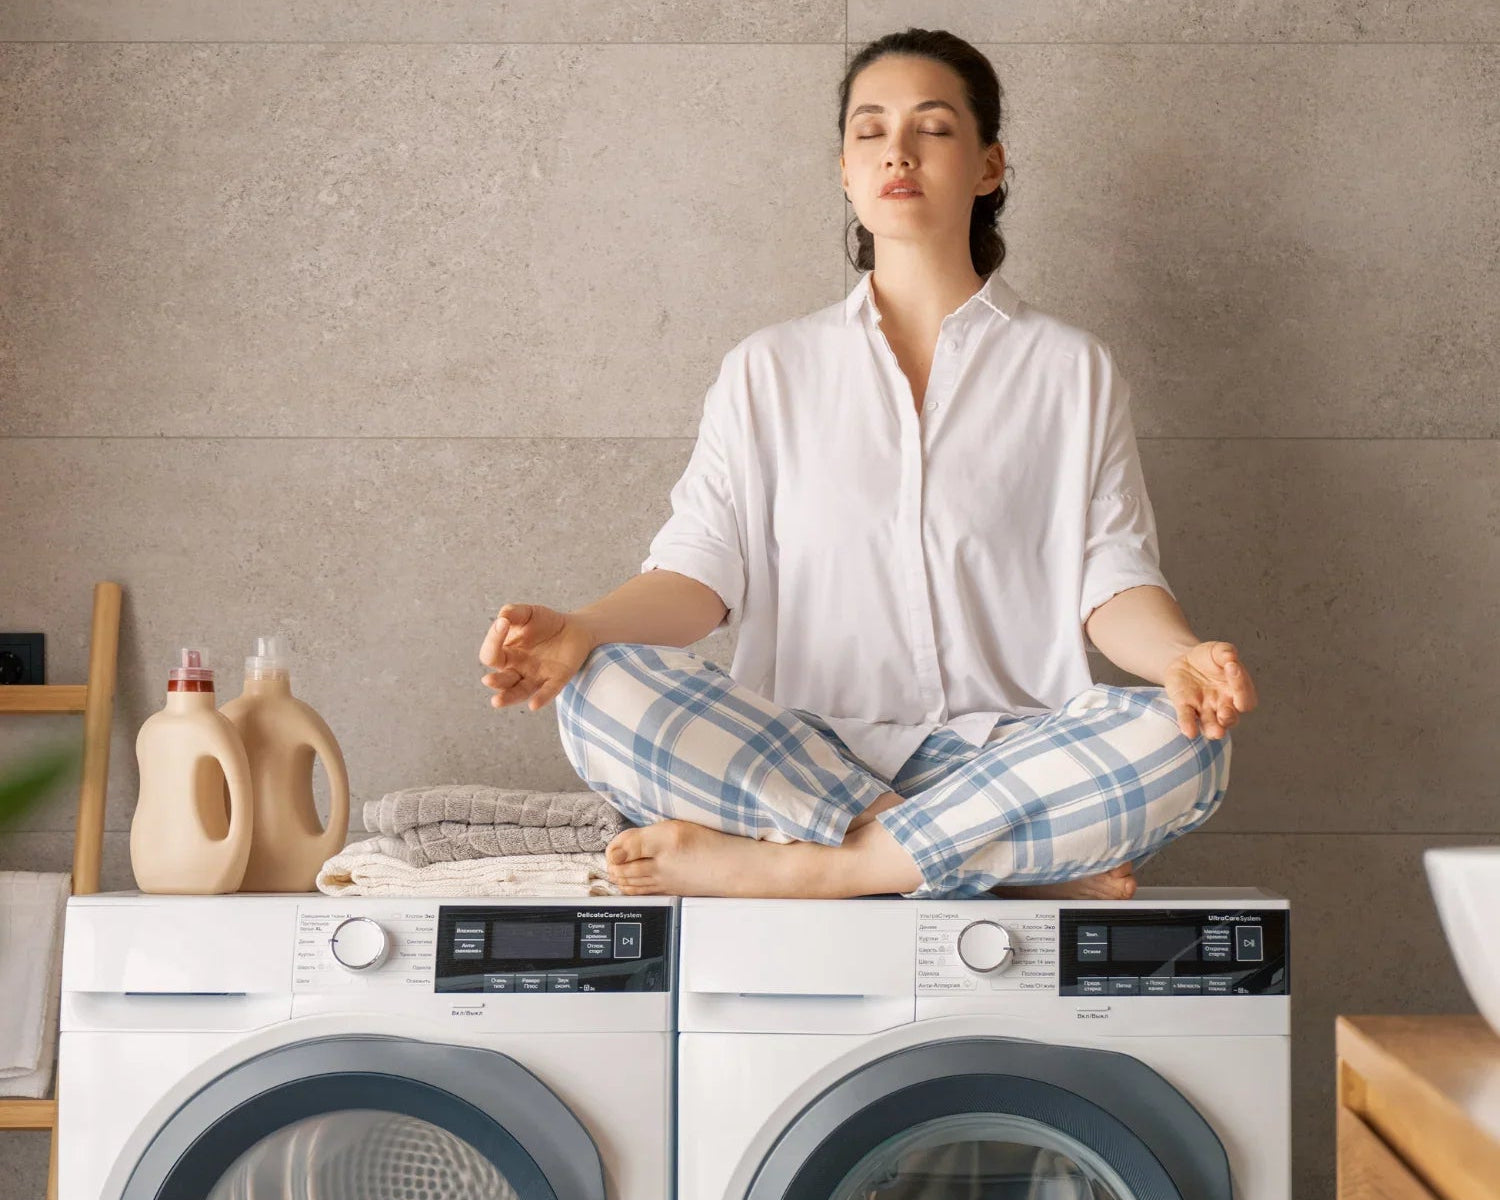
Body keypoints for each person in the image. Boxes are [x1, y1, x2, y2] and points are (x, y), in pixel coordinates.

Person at [478, 28, 1258, 902]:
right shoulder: (767, 368)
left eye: (932, 127)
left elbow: (1111, 580)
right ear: (846, 172)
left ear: (989, 165)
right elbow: (698, 573)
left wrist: (1182, 657)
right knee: (602, 687)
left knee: (1184, 742)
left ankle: (823, 869)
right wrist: (582, 629)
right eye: (868, 130)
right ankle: (984, 865)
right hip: (797, 760)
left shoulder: (1071, 369)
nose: (897, 150)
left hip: (1005, 758)